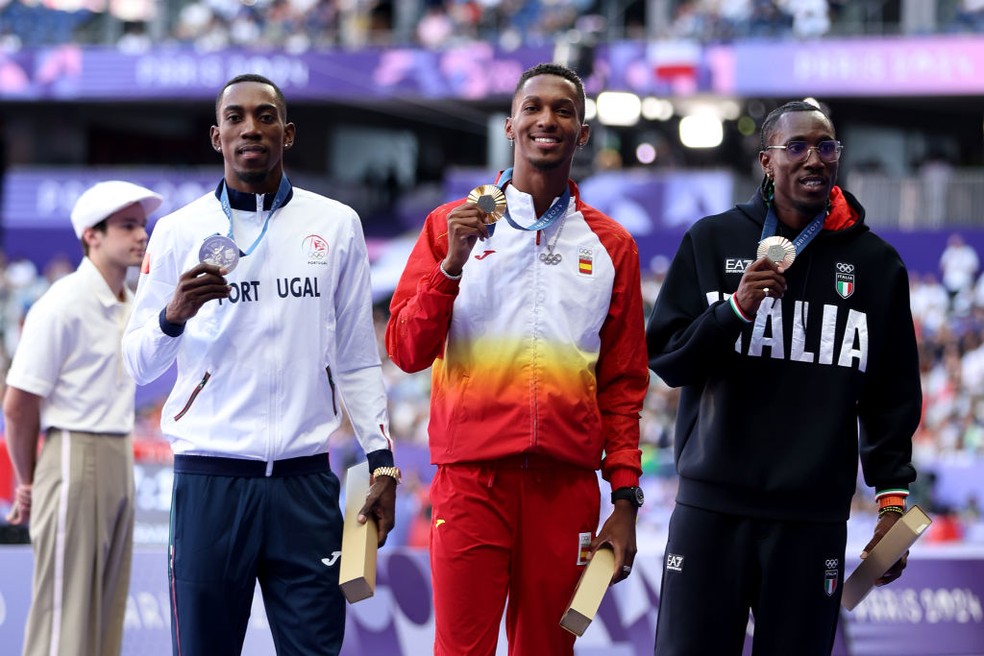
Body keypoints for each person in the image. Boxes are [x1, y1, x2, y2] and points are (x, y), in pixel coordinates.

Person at [121, 73, 398, 656]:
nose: (252, 128)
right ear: (216, 137)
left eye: (266, 116)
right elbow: (137, 363)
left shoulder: (336, 224)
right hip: (211, 481)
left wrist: (382, 462)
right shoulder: (177, 232)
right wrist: (174, 314)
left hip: (305, 484)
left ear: (288, 133)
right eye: (237, 118)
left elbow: (356, 355)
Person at [385, 62, 649, 656]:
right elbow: (405, 350)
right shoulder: (448, 226)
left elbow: (624, 385)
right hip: (471, 482)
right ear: (510, 124)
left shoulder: (612, 246)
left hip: (567, 490)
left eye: (563, 110)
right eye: (532, 107)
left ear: (582, 133)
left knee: (548, 651)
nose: (546, 119)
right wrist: (451, 266)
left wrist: (626, 497)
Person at [646, 100, 922, 655]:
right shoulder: (712, 240)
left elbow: (892, 396)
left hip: (810, 518)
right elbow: (669, 360)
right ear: (767, 161)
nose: (814, 158)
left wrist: (894, 503)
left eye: (826, 147)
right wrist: (735, 311)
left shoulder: (876, 266)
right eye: (796, 146)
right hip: (711, 509)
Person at [4, 180, 161, 656]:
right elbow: (17, 404)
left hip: (117, 450)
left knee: (104, 616)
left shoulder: (132, 305)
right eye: (127, 225)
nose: (141, 236)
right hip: (71, 451)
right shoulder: (61, 302)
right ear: (91, 235)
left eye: (142, 225)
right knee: (62, 615)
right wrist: (27, 482)